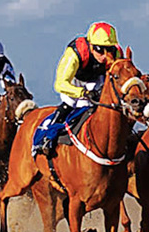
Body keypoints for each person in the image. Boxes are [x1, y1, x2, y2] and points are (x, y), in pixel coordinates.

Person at [34, 22, 122, 157]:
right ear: (91, 46)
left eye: (109, 49)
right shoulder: (75, 53)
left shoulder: (117, 54)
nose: (105, 56)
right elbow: (60, 84)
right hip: (75, 81)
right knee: (70, 103)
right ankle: (47, 138)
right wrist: (82, 93)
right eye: (100, 49)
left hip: (98, 79)